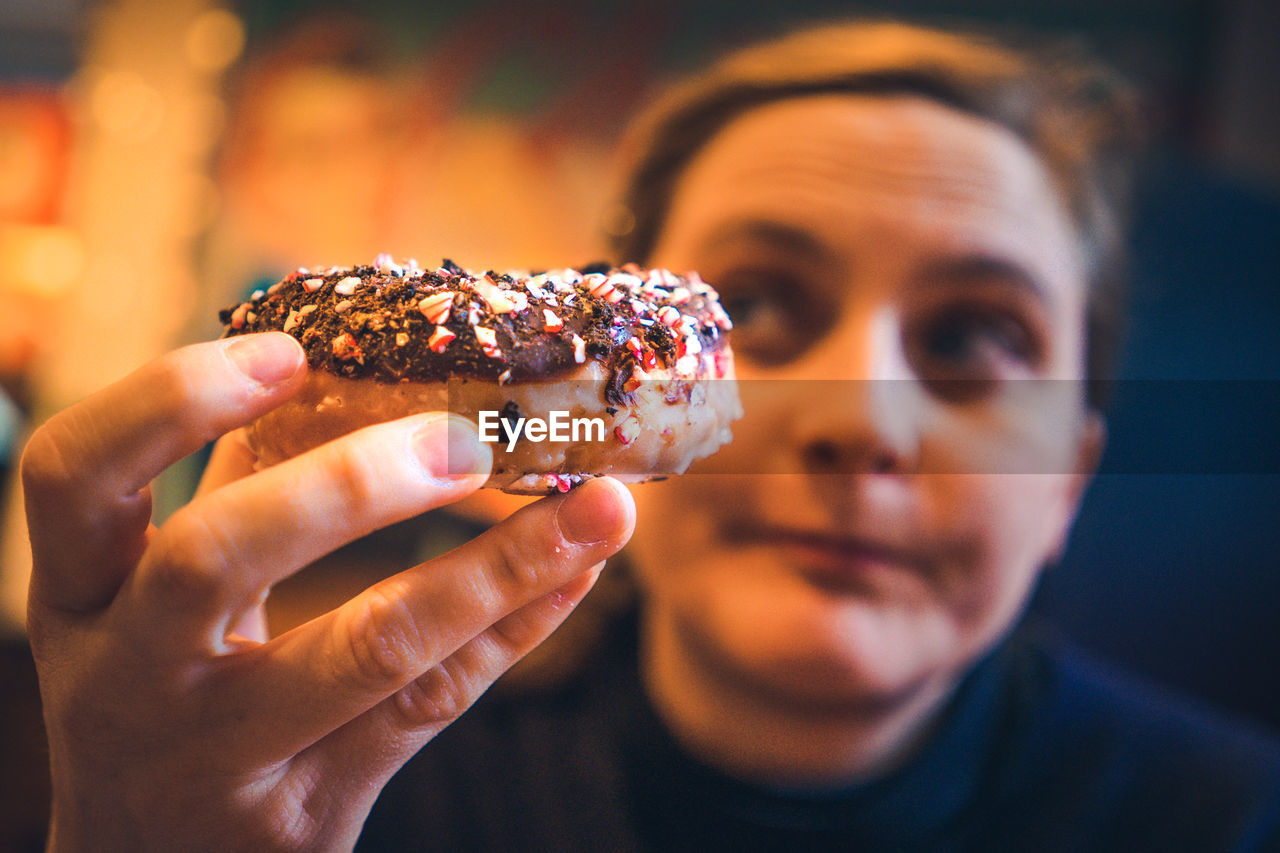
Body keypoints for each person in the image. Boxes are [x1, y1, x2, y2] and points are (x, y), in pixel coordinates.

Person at [17, 19, 1280, 853]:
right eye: (762, 307)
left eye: (971, 342)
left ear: (1064, 483)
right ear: (592, 406)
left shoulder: (1228, 819)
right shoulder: (322, 790)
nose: (855, 420)